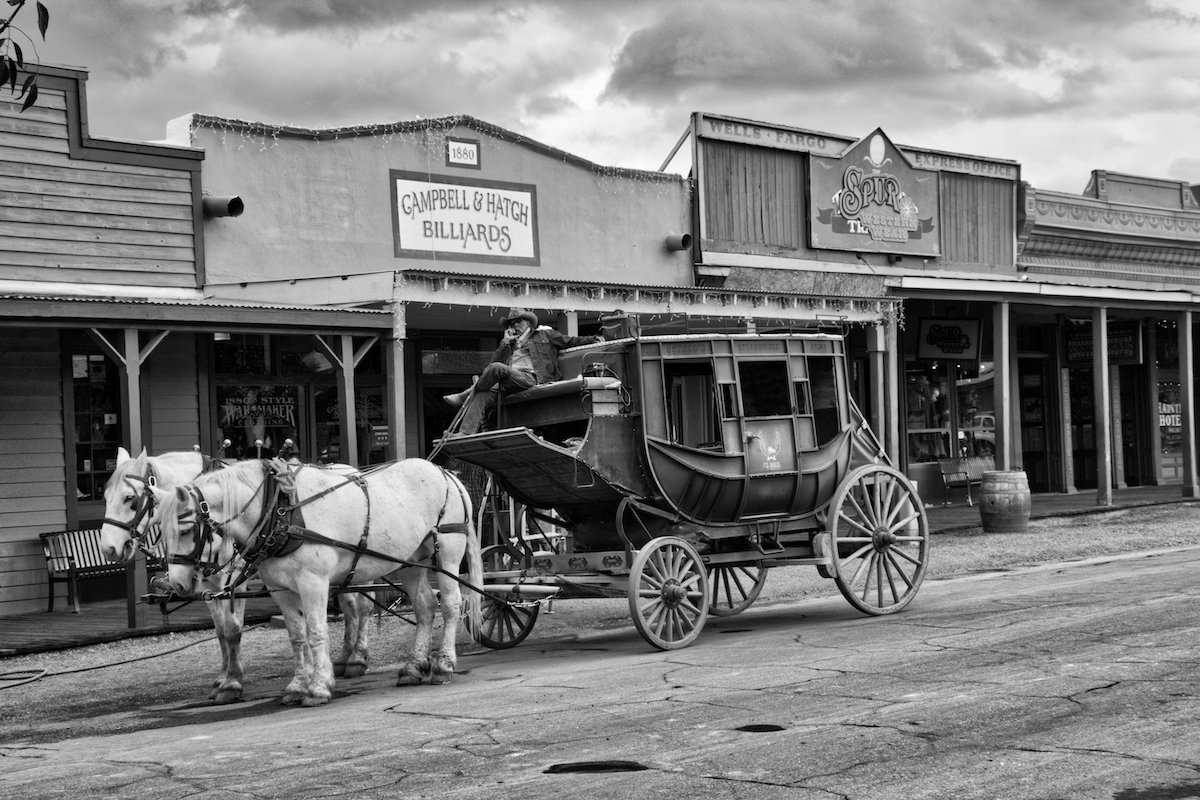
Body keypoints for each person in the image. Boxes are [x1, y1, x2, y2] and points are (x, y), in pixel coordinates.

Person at [443, 307, 604, 436]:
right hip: (509, 383)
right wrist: (505, 343)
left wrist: (594, 338)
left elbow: (571, 341)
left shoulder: (545, 335)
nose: (514, 325)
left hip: (533, 379)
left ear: (528, 323)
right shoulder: (510, 344)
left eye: (518, 321)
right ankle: (465, 432)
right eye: (511, 323)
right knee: (482, 394)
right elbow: (494, 364)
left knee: (496, 369)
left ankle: (466, 395)